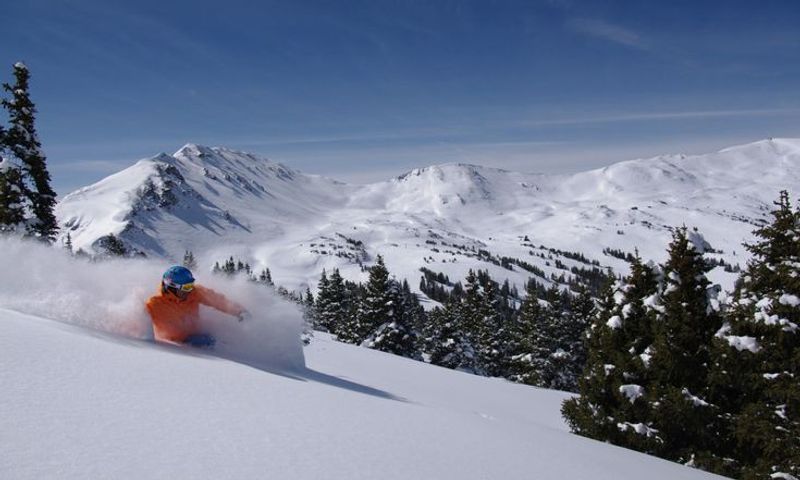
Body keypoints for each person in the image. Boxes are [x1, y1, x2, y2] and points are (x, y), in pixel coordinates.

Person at [146, 265, 249, 347]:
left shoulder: (194, 293)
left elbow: (217, 300)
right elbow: (142, 328)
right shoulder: (155, 304)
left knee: (226, 342)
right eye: (186, 287)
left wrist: (239, 311)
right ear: (172, 287)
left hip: (198, 337)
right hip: (177, 348)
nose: (190, 290)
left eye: (191, 285)